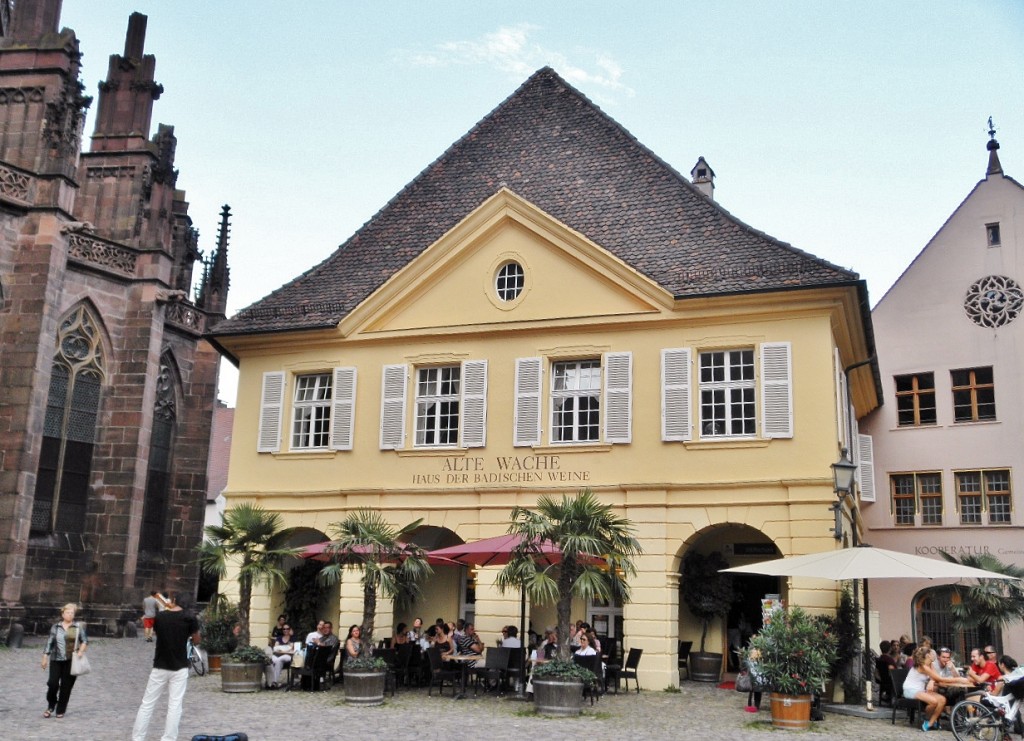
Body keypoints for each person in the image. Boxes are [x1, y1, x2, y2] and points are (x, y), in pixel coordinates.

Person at [131, 591, 201, 741]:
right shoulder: (190, 618)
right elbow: (197, 640)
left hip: (160, 664)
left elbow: (158, 633)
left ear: (174, 600)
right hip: (180, 665)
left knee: (147, 704)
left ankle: (138, 737)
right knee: (175, 705)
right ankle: (169, 738)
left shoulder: (161, 617)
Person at [902, 645, 972, 731]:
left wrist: (934, 681)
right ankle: (926, 718)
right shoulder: (923, 666)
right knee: (934, 702)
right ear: (927, 655)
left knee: (942, 700)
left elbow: (936, 679)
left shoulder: (930, 664)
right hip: (910, 689)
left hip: (921, 690)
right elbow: (940, 679)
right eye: (932, 653)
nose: (934, 654)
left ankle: (930, 723)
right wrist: (959, 679)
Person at [41, 602, 88, 719]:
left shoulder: (77, 627)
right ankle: (51, 704)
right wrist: (45, 657)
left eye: (72, 613)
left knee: (66, 687)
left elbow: (84, 641)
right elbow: (50, 642)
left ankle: (60, 709)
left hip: (71, 660)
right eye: (67, 612)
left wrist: (81, 651)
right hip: (56, 659)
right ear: (63, 614)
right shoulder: (55, 627)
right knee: (52, 683)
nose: (70, 615)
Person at [265, 624, 296, 689]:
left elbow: (291, 649)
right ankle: (272, 682)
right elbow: (275, 649)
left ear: (290, 629)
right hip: (277, 655)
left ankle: (273, 682)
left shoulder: (292, 638)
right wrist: (286, 648)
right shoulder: (279, 638)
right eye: (284, 629)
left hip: (287, 656)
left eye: (287, 629)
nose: (285, 630)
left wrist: (281, 650)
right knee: (270, 660)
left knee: (279, 660)